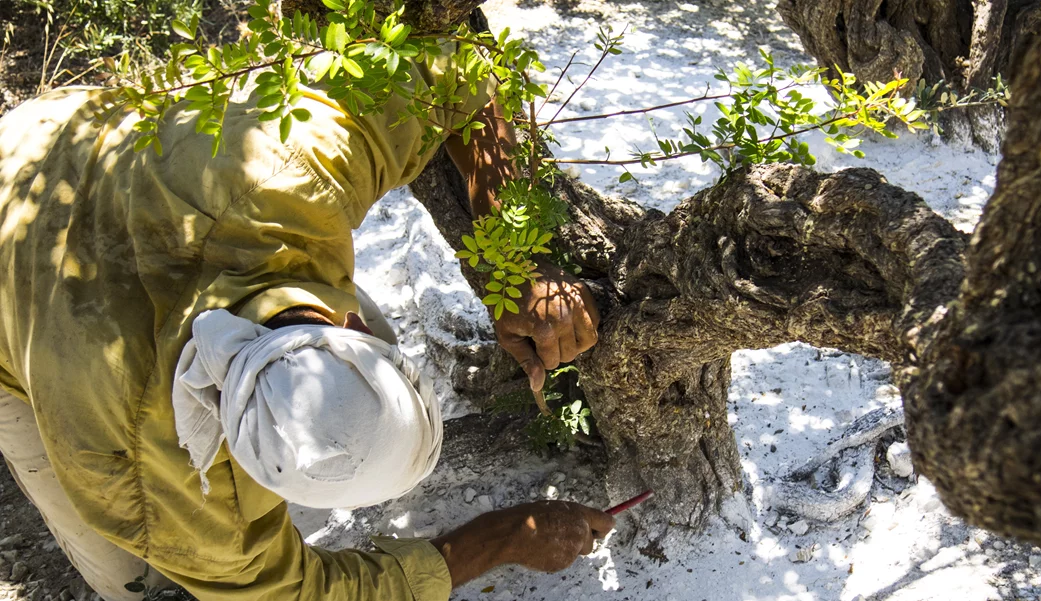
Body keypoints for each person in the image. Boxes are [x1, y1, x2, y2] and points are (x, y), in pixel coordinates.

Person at [0, 36, 612, 601]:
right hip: (15, 213)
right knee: (137, 577)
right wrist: (498, 541)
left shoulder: (293, 165)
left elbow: (462, 74)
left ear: (346, 328)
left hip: (58, 135)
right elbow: (292, 595)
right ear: (352, 329)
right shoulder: (134, 474)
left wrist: (517, 269)